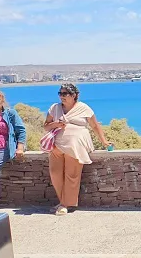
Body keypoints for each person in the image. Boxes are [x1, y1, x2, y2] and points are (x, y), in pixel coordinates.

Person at [44, 83, 111, 215]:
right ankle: (63, 202)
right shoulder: (54, 108)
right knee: (55, 173)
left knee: (72, 175)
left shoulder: (84, 108)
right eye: (60, 93)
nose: (61, 96)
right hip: (56, 145)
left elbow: (95, 126)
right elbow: (46, 126)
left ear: (74, 95)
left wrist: (104, 141)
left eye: (65, 94)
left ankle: (65, 204)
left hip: (75, 146)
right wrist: (55, 124)